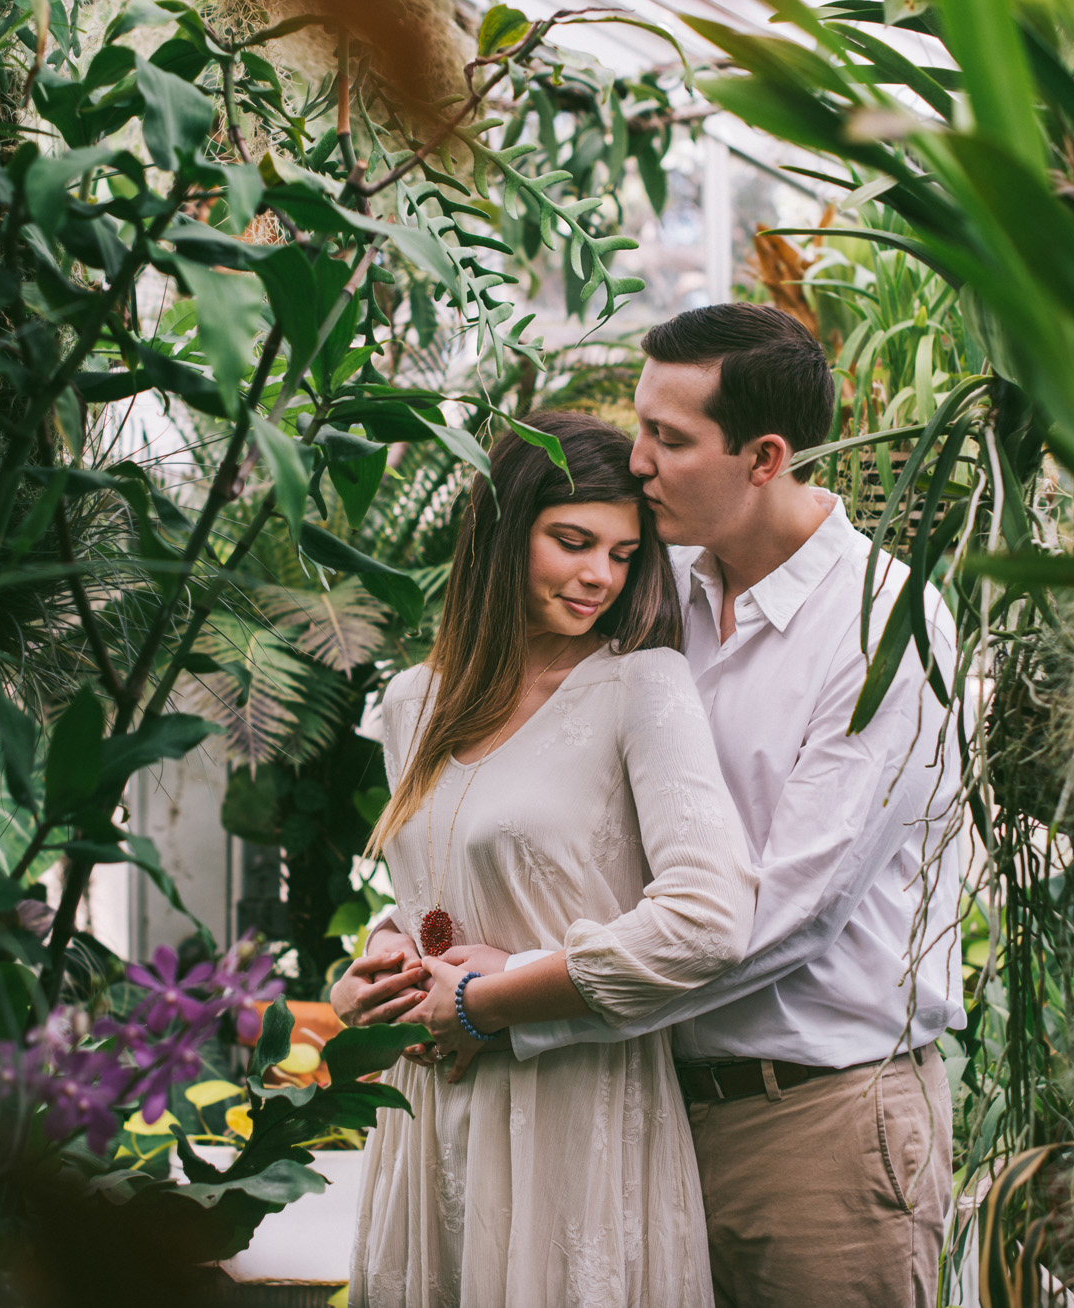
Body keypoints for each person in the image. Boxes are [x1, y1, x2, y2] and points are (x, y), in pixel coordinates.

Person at [337, 304, 964, 1308]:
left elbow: (780, 921)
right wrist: (413, 940)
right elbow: (546, 817)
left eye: (666, 440)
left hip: (808, 1123)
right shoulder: (644, 583)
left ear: (763, 457)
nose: (635, 462)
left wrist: (501, 1002)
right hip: (634, 1111)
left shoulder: (881, 627)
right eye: (638, 426)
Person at [341, 409, 760, 1308]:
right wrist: (370, 973)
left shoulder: (640, 687)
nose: (598, 577)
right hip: (428, 1115)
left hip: (567, 1105)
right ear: (500, 531)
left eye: (621, 554)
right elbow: (431, 892)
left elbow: (708, 920)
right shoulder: (414, 701)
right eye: (573, 541)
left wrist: (493, 997)